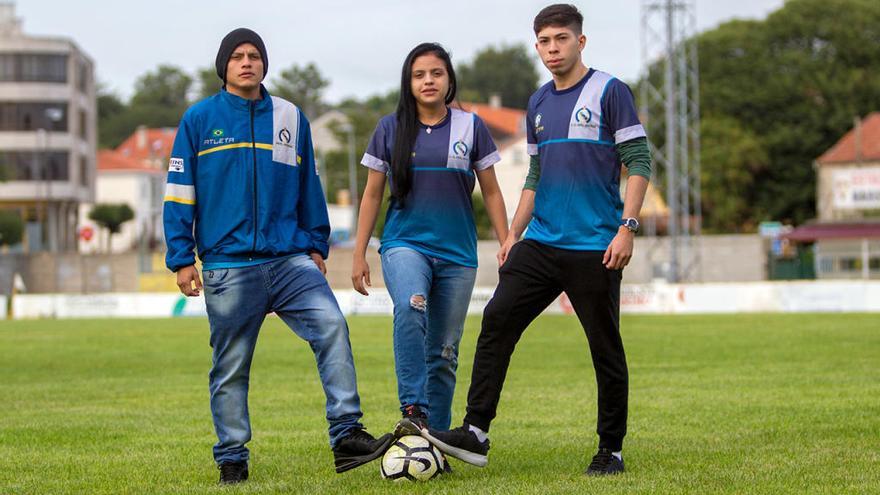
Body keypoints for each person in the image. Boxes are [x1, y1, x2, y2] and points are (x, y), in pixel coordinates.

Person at [410, 5, 653, 476]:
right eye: (543, 41)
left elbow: (639, 160)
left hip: (595, 245)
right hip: (539, 243)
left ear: (580, 42)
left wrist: (627, 227)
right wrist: (513, 234)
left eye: (561, 39)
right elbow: (536, 174)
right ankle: (476, 432)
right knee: (497, 320)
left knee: (604, 348)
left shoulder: (610, 91)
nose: (552, 48)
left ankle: (611, 448)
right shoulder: (538, 102)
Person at [163, 28, 392, 484]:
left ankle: (347, 434)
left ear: (264, 64)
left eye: (254, 56)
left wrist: (315, 242)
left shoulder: (290, 116)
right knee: (230, 367)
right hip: (228, 265)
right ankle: (232, 456)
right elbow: (179, 192)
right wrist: (181, 257)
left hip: (290, 260)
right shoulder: (199, 119)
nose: (247, 62)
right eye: (237, 57)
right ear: (224, 66)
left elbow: (309, 185)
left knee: (331, 327)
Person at [352, 43, 508, 437]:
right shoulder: (390, 128)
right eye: (419, 74)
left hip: (458, 254)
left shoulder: (471, 127)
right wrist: (359, 254)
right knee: (410, 306)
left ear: (449, 80)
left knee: (443, 353)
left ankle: (435, 441)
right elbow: (371, 194)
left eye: (436, 73)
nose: (428, 81)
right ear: (409, 82)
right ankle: (414, 409)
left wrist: (507, 242)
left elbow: (490, 191)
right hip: (405, 244)